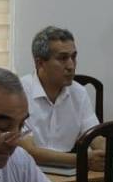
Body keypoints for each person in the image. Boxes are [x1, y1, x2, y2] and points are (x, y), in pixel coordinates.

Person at [18, 26, 104, 171]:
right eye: (63, 58)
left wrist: (107, 153)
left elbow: (95, 137)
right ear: (40, 63)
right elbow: (28, 151)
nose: (71, 66)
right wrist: (83, 160)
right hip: (28, 173)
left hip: (69, 175)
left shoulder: (79, 92)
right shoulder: (19, 92)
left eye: (73, 57)